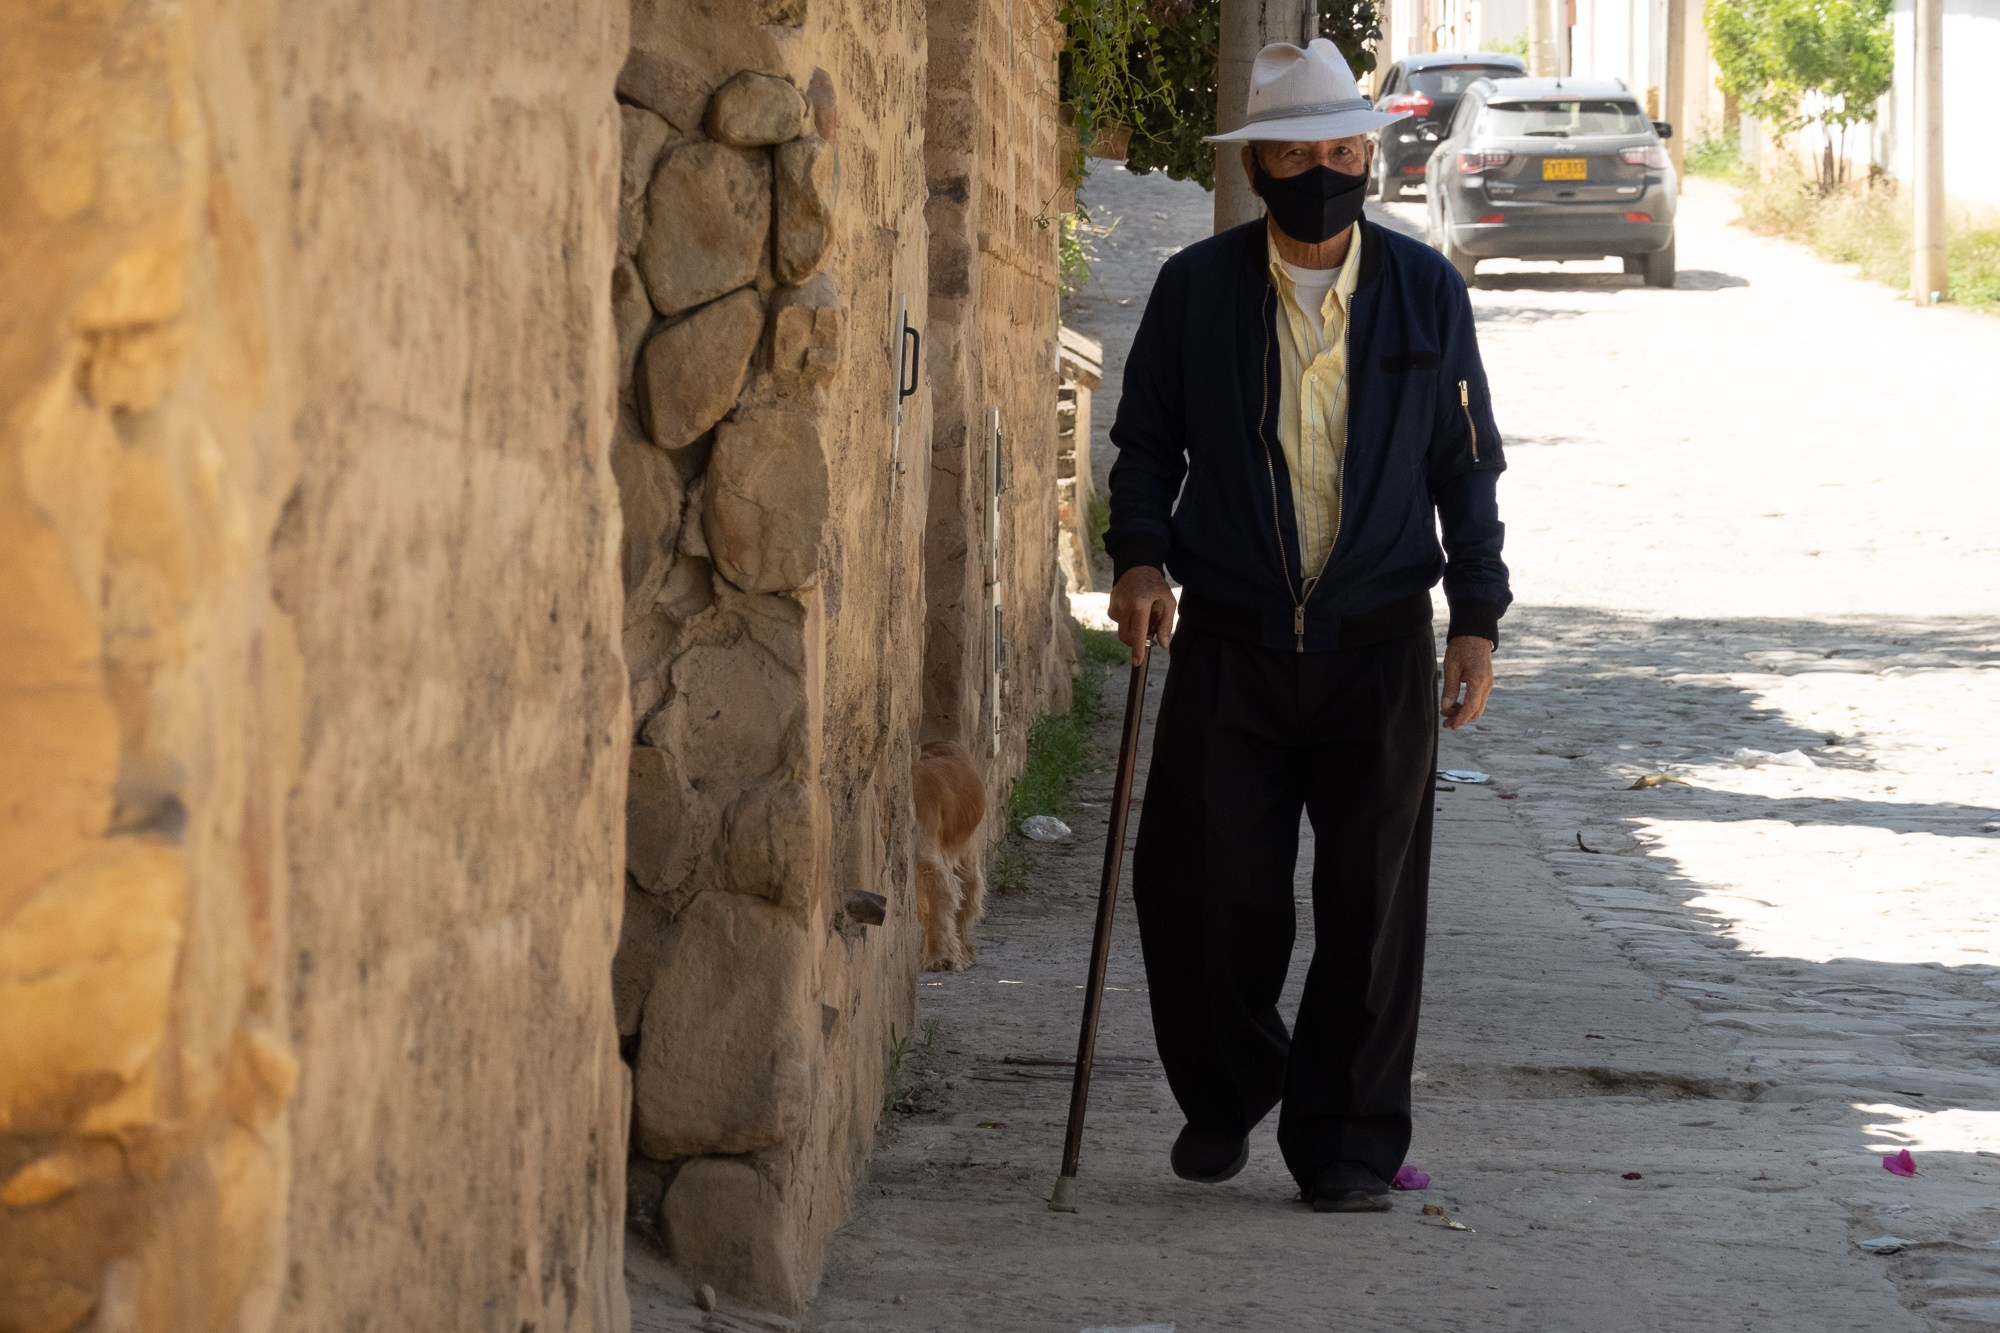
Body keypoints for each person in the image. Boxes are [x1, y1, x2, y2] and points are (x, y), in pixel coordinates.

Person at [1104, 37, 1513, 1213]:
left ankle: (1342, 1144)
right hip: (1230, 638)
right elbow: (1144, 446)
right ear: (1262, 165)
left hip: (1379, 639)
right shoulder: (1196, 288)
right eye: (1300, 151)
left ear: (1367, 157)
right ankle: (1233, 1088)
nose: (1325, 167)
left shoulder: (1426, 290)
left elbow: (1465, 464)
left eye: (1344, 148)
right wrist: (1138, 558)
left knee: (1370, 909)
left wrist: (1474, 617)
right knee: (1198, 889)